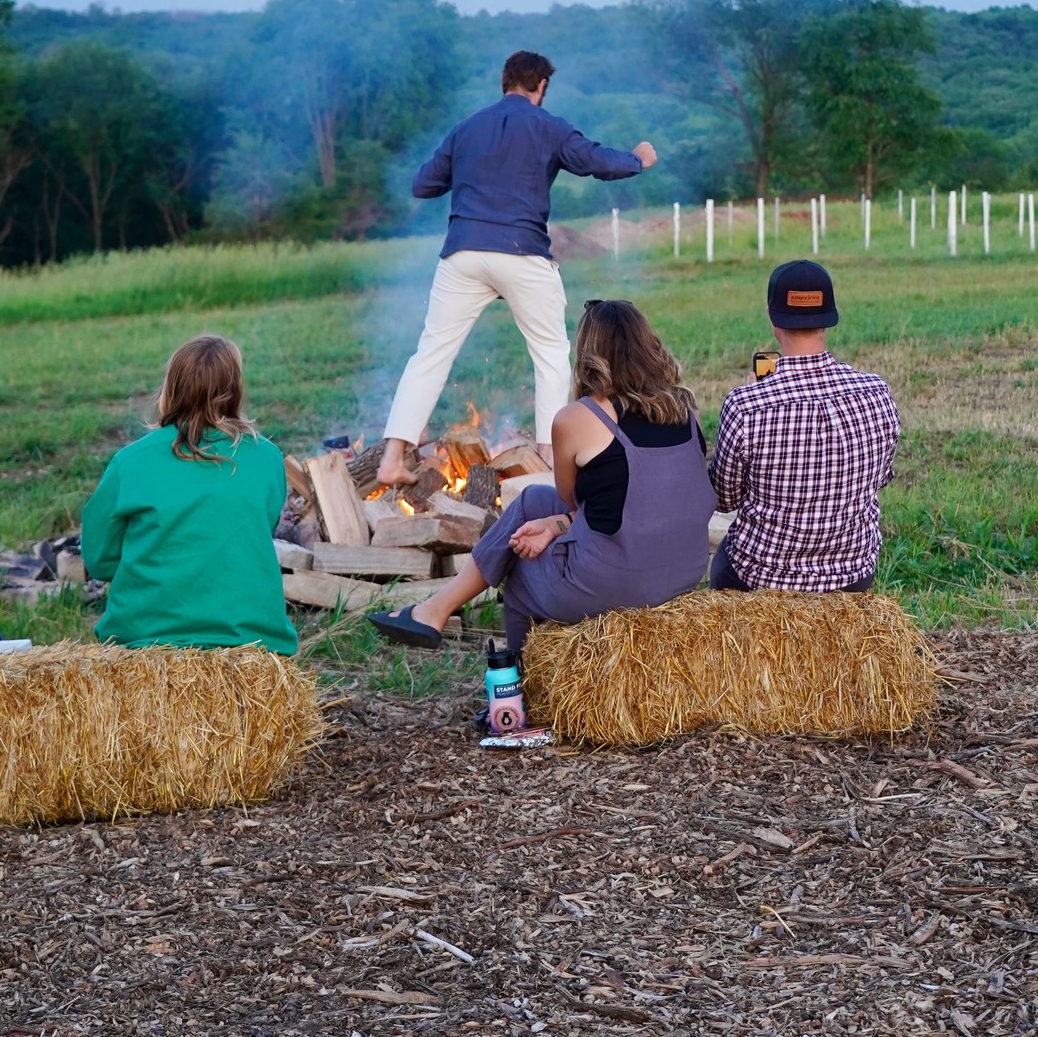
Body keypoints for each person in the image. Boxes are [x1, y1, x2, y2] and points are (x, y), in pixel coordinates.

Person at [368, 300, 716, 654]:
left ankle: (519, 683)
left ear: (589, 354)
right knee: (532, 499)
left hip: (620, 580)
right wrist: (553, 524)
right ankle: (435, 610)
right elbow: (624, 502)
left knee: (520, 572)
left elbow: (570, 499)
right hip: (684, 573)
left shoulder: (578, 418)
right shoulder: (684, 410)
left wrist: (555, 524)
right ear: (647, 346)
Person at [376, 51, 657, 485]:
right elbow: (596, 161)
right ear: (541, 85)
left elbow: (422, 184)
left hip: (463, 253)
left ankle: (392, 459)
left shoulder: (466, 129)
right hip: (522, 251)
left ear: (505, 82)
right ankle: (549, 462)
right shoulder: (549, 126)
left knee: (430, 354)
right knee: (549, 355)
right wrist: (637, 159)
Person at [81, 334, 297, 656]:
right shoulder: (267, 458)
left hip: (147, 635)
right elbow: (258, 529)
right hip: (251, 637)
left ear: (170, 388)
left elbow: (99, 560)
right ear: (235, 390)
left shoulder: (131, 462)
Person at [708, 260, 900, 593]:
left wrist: (756, 392)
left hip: (760, 578)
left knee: (723, 559)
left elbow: (723, 499)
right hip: (851, 577)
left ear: (772, 317)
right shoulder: (877, 392)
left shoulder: (745, 405)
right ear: (830, 317)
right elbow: (880, 478)